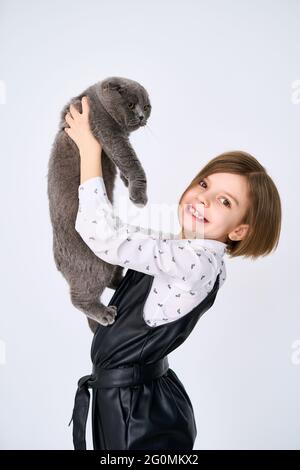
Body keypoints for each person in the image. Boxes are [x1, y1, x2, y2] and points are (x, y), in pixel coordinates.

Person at [65, 97, 282, 450]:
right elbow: (132, 241)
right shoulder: (190, 252)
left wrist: (90, 151)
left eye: (225, 202)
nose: (204, 199)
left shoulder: (194, 261)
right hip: (138, 399)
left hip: (134, 414)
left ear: (239, 231)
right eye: (204, 185)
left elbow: (104, 235)